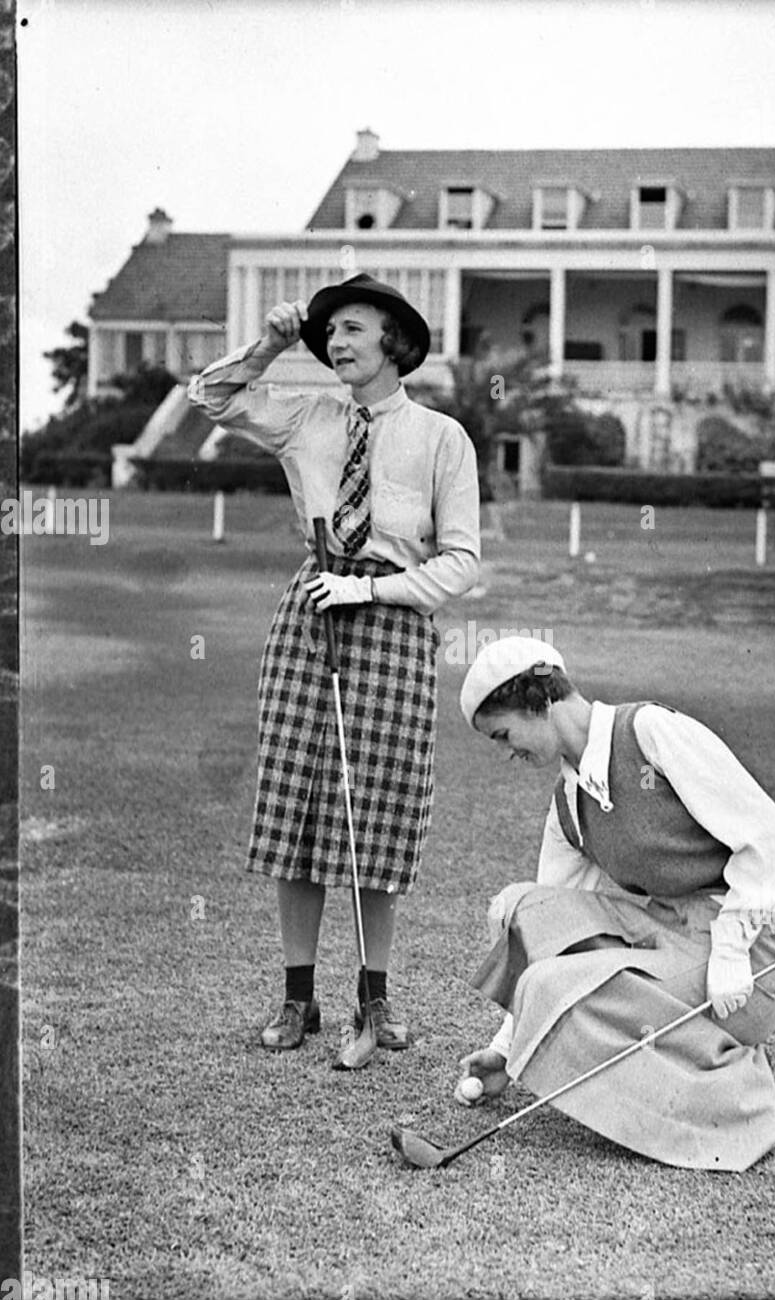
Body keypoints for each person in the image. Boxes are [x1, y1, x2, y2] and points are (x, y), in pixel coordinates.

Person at [187, 274, 480, 1053]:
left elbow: (460, 563)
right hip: (311, 612)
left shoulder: (441, 437)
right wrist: (273, 343)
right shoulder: (305, 416)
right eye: (329, 333)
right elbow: (210, 396)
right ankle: (297, 1000)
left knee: (376, 814)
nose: (336, 343)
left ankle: (376, 1002)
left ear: (395, 342)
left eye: (351, 329)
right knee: (297, 807)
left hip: (391, 622)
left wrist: (374, 591)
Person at [453, 637, 775, 1171]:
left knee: (550, 986)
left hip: (746, 966)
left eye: (504, 735)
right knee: (517, 909)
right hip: (665, 936)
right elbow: (548, 936)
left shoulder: (652, 733)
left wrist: (731, 950)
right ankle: (676, 1046)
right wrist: (511, 1050)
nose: (506, 753)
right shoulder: (567, 804)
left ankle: (729, 1092)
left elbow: (766, 834)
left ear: (538, 702)